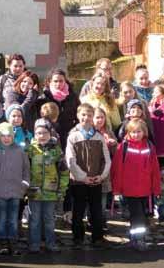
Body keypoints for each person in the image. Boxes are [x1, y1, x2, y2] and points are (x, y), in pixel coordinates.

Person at [111, 118, 161, 251]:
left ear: (144, 132)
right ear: (128, 132)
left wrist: (156, 188)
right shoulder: (123, 147)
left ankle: (134, 239)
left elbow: (155, 169)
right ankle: (139, 240)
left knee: (140, 216)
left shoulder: (149, 146)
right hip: (129, 189)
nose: (136, 134)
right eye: (133, 132)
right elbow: (117, 169)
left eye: (138, 131)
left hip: (145, 189)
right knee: (138, 216)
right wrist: (116, 188)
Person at [65, 103, 111, 247]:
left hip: (96, 180)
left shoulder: (99, 137)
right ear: (78, 116)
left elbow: (106, 159)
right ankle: (78, 237)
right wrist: (82, 176)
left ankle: (97, 237)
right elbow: (70, 160)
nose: (86, 118)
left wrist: (101, 176)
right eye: (83, 115)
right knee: (78, 210)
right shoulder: (73, 137)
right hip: (79, 182)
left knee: (96, 210)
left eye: (89, 115)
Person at [0, 122, 30, 255]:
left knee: (13, 219)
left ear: (13, 136)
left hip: (16, 191)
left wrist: (25, 184)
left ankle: (13, 242)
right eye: (3, 135)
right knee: (1, 218)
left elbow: (26, 169)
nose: (6, 138)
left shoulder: (20, 151)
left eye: (9, 135)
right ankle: (2, 242)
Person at [27, 119, 69, 254]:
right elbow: (24, 170)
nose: (42, 136)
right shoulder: (30, 150)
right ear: (34, 134)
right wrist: (24, 188)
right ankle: (34, 244)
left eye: (45, 133)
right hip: (34, 192)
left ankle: (51, 243)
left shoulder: (57, 151)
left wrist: (61, 190)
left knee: (49, 220)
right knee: (34, 220)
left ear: (50, 133)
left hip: (51, 192)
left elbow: (64, 171)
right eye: (38, 133)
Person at [36, 68, 79, 151]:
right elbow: (39, 118)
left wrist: (74, 129)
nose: (58, 84)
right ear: (49, 82)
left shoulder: (72, 96)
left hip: (69, 134)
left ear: (65, 81)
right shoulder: (44, 98)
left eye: (61, 81)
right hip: (49, 136)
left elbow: (78, 113)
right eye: (55, 81)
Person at [92, 107, 117, 229]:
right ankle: (92, 220)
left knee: (102, 199)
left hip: (104, 171)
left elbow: (115, 152)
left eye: (102, 117)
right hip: (91, 169)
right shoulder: (89, 131)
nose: (100, 120)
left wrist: (113, 144)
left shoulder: (108, 132)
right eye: (97, 117)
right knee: (91, 199)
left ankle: (101, 221)